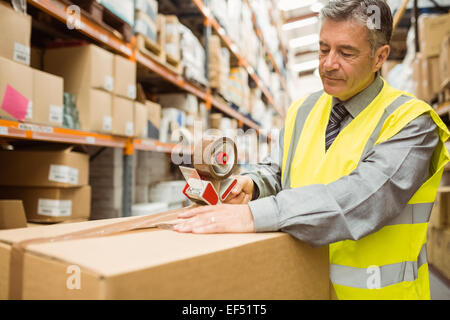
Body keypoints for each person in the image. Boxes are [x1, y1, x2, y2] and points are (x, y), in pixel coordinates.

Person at [173, 0, 450, 300]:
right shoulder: (302, 111)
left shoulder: (412, 122)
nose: (328, 63)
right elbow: (277, 170)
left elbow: (364, 198)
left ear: (379, 56)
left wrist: (255, 215)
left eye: (346, 52)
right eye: (322, 48)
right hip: (304, 289)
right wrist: (252, 185)